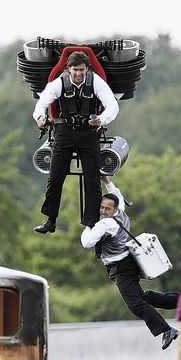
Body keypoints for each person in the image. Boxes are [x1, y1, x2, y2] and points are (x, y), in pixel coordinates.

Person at [80, 176, 180, 349]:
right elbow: (116, 194)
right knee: (143, 298)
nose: (103, 211)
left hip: (120, 268)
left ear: (114, 209)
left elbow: (86, 242)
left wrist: (88, 225)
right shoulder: (120, 212)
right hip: (128, 262)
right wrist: (107, 181)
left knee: (135, 305)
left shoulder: (105, 225)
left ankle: (166, 330)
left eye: (107, 209)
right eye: (102, 207)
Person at [32, 51, 119, 233]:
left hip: (89, 133)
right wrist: (40, 117)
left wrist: (101, 120)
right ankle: (50, 219)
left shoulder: (96, 82)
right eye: (74, 70)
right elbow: (41, 104)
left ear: (87, 69)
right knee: (55, 177)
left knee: (92, 179)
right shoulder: (59, 84)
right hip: (65, 133)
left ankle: (92, 221)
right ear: (68, 69)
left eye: (81, 70)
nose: (78, 74)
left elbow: (113, 106)